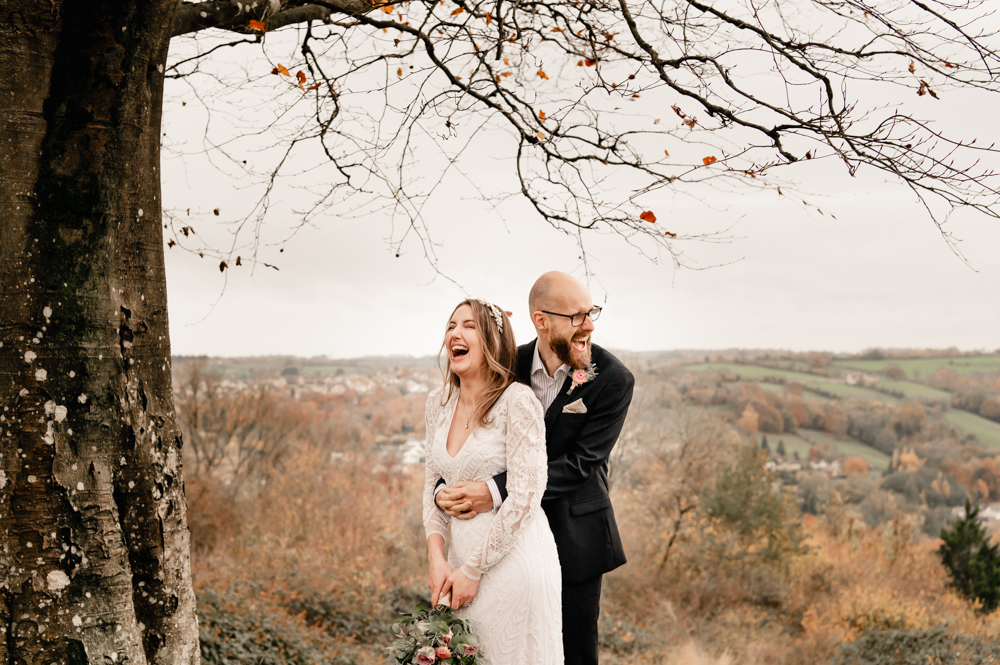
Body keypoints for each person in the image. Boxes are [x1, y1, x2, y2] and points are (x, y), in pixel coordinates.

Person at [436, 272, 634, 665]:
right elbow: (473, 430)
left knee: (574, 650)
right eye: (577, 316)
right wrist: (448, 483)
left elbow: (581, 464)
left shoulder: (613, 379)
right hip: (504, 537)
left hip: (575, 535)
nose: (589, 325)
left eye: (591, 313)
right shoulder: (508, 364)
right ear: (541, 321)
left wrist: (493, 489)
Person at [423, 298, 563, 665]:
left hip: (513, 562)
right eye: (452, 325)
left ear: (493, 342)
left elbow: (527, 496)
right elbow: (431, 485)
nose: (456, 332)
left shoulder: (518, 401)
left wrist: (474, 569)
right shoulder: (437, 403)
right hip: (457, 562)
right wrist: (436, 557)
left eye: (469, 326)